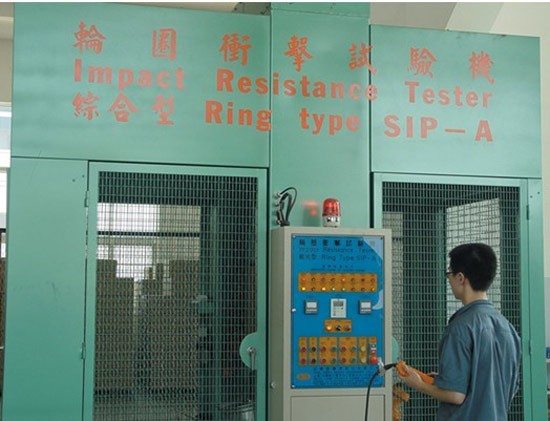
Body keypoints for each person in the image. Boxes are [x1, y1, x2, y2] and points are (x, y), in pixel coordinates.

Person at [397, 243, 521, 420]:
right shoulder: (508, 328)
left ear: (460, 278)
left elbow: (455, 395)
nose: (449, 279)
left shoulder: (460, 327)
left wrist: (418, 384)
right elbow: (503, 386)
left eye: (449, 274)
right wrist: (446, 379)